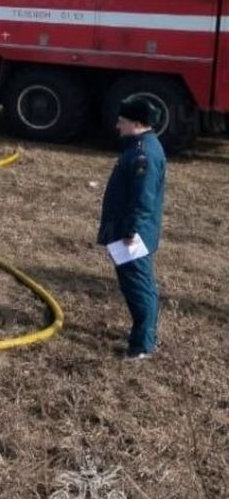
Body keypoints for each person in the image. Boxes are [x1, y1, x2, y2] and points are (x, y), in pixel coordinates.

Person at [97, 97, 167, 360]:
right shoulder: (140, 147)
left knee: (138, 286)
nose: (118, 125)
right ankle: (143, 334)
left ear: (137, 123)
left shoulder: (143, 155)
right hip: (127, 229)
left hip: (131, 234)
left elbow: (143, 199)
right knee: (135, 284)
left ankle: (142, 346)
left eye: (123, 121)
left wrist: (131, 231)